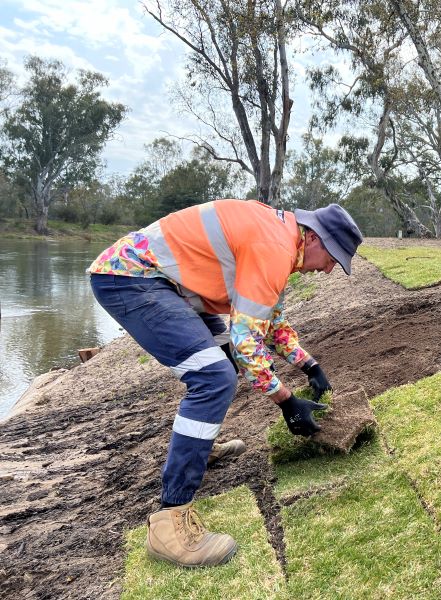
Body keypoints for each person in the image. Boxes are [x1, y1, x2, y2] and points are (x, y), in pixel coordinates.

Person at [88, 200, 362, 568]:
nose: (329, 270)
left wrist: (309, 365)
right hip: (133, 278)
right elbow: (247, 343)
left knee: (222, 364)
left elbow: (271, 324)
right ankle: (170, 519)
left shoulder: (281, 241)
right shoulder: (274, 247)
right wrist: (286, 401)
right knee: (213, 377)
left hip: (170, 286)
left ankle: (199, 447)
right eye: (332, 258)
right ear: (313, 237)